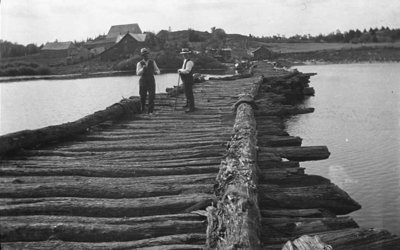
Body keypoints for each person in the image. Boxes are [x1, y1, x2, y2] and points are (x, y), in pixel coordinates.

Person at [136, 48, 160, 114]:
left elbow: (158, 70)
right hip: (143, 81)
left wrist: (156, 72)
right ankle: (143, 109)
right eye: (144, 55)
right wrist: (142, 69)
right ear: (142, 56)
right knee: (142, 96)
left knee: (151, 96)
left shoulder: (152, 62)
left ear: (148, 55)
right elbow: (138, 73)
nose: (146, 56)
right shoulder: (139, 63)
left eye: (146, 54)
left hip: (151, 81)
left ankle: (150, 111)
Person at [178, 48, 195, 113]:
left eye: (186, 54)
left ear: (188, 54)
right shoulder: (185, 61)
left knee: (189, 93)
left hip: (188, 79)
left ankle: (191, 107)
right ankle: (188, 104)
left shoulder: (190, 62)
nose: (184, 55)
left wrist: (180, 70)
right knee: (186, 92)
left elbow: (187, 71)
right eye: (183, 54)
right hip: (185, 79)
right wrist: (181, 70)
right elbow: (183, 69)